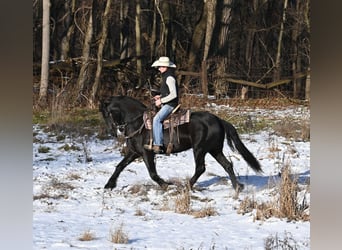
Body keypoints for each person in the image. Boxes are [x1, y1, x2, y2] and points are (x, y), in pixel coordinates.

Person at [144, 56, 179, 153]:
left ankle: (158, 144)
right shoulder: (166, 76)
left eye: (160, 66)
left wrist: (161, 101)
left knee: (156, 119)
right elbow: (167, 92)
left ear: (165, 67)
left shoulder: (170, 78)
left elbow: (174, 94)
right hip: (167, 103)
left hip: (170, 105)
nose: (159, 68)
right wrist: (160, 96)